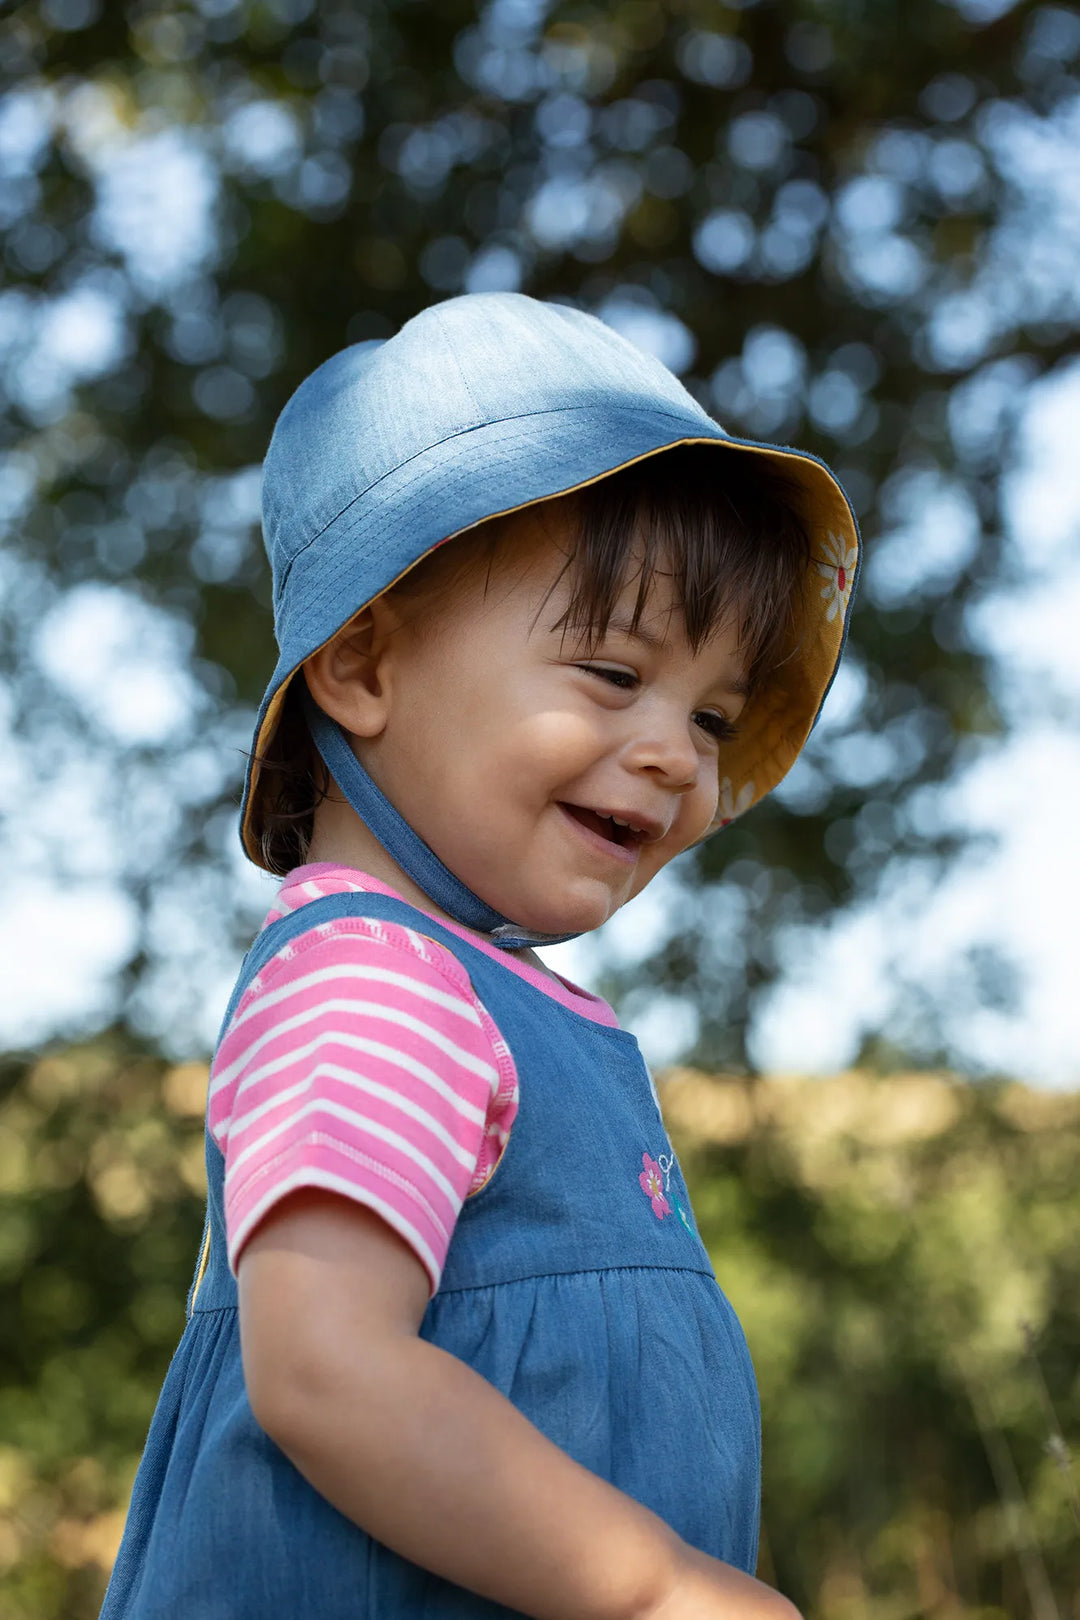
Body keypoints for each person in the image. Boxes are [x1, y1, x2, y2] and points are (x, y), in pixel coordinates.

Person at [100, 292, 860, 1620]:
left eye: (716, 712)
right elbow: (327, 1367)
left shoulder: (501, 1008)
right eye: (615, 676)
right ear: (362, 663)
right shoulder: (373, 982)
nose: (680, 753)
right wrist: (651, 1588)